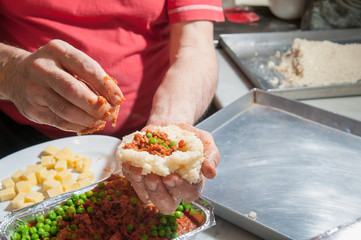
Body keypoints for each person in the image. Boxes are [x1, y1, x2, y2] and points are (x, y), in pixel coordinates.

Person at [0, 1, 223, 214]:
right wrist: (11, 72)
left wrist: (170, 124)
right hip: (17, 136)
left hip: (145, 126)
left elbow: (194, 47)